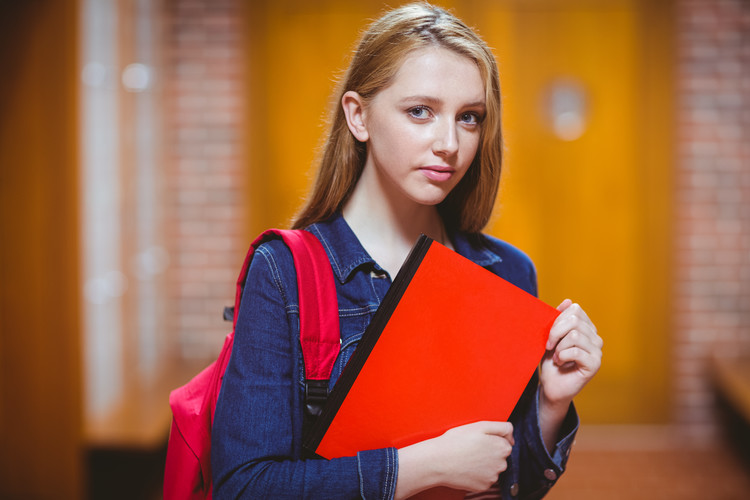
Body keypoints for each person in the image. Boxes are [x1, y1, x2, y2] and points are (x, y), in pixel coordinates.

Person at [211, 3, 603, 499]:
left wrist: (552, 405)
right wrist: (418, 467)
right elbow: (243, 488)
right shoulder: (284, 272)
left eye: (469, 118)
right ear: (358, 116)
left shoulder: (508, 271)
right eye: (420, 111)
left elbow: (510, 485)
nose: (449, 143)